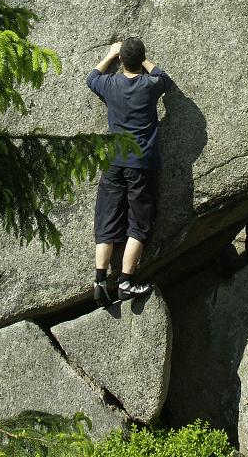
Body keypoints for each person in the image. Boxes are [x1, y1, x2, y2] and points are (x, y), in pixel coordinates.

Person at [86, 37, 173, 306]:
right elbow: (164, 77)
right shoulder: (150, 85)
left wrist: (111, 55)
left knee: (107, 217)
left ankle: (100, 279)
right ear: (141, 61)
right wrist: (143, 59)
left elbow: (92, 77)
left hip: (114, 162)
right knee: (139, 223)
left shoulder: (110, 84)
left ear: (122, 60)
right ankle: (125, 281)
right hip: (142, 164)